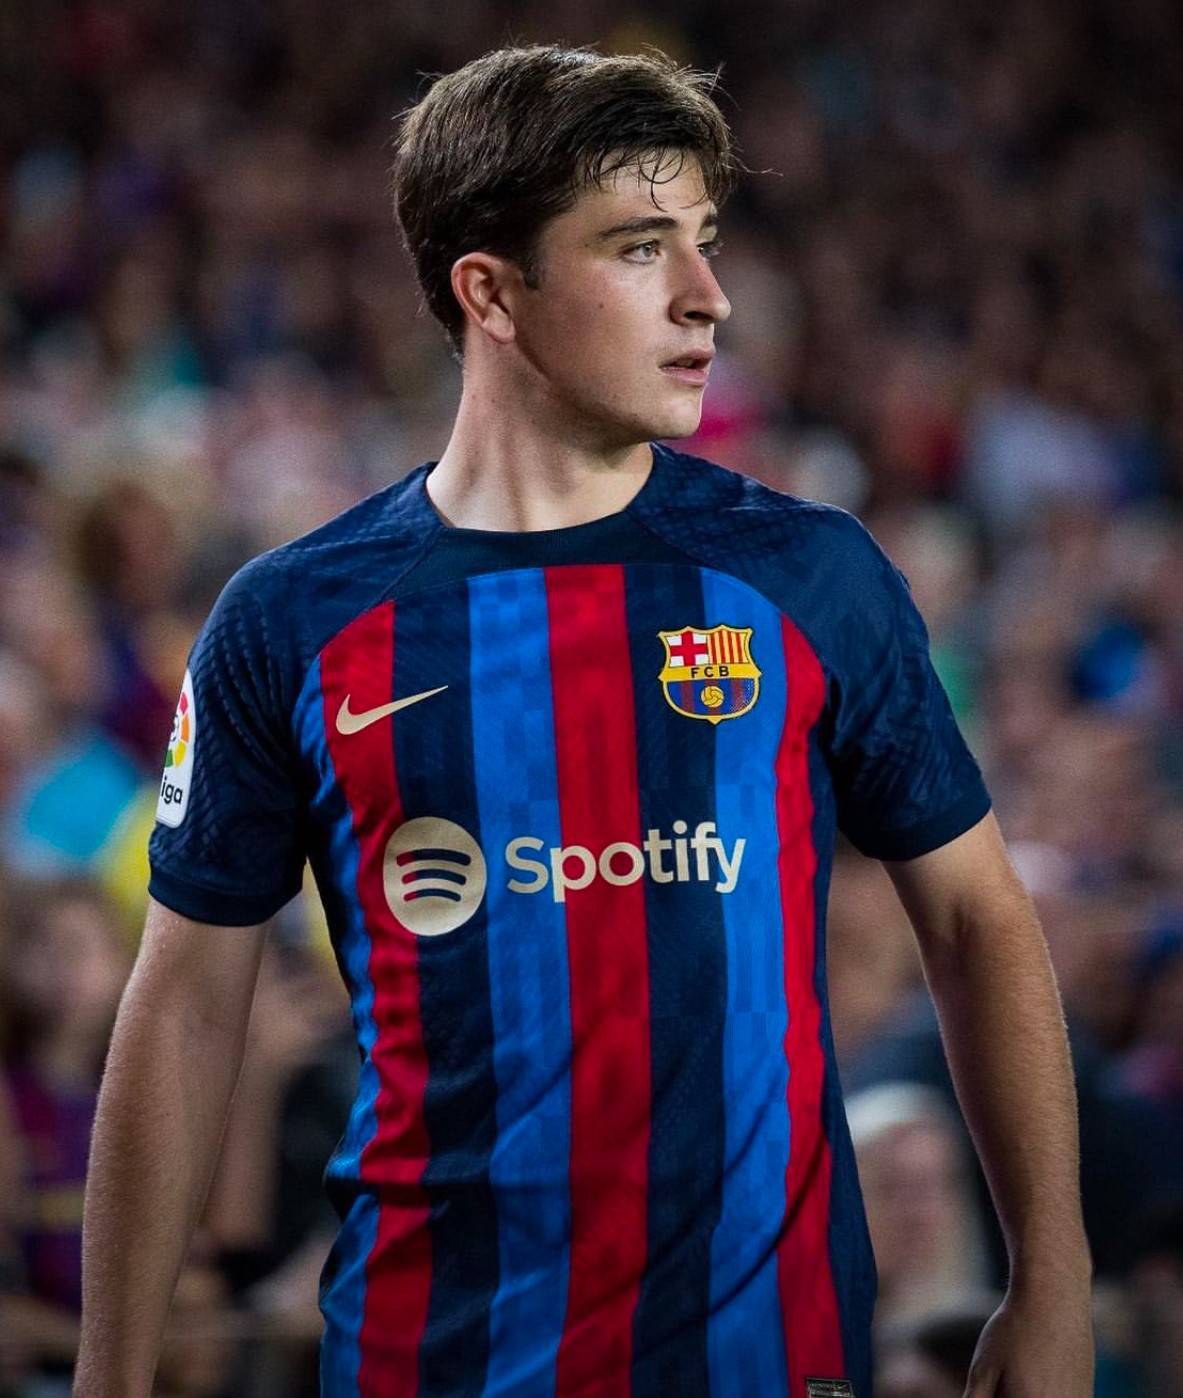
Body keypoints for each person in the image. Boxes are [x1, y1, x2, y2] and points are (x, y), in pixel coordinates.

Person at [75, 44, 1094, 1398]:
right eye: (638, 247)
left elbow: (975, 920)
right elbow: (188, 1004)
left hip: (766, 1359)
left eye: (705, 239)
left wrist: (1051, 1277)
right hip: (429, 1360)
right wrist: (109, 1374)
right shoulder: (291, 620)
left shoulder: (811, 576)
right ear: (491, 292)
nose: (708, 295)